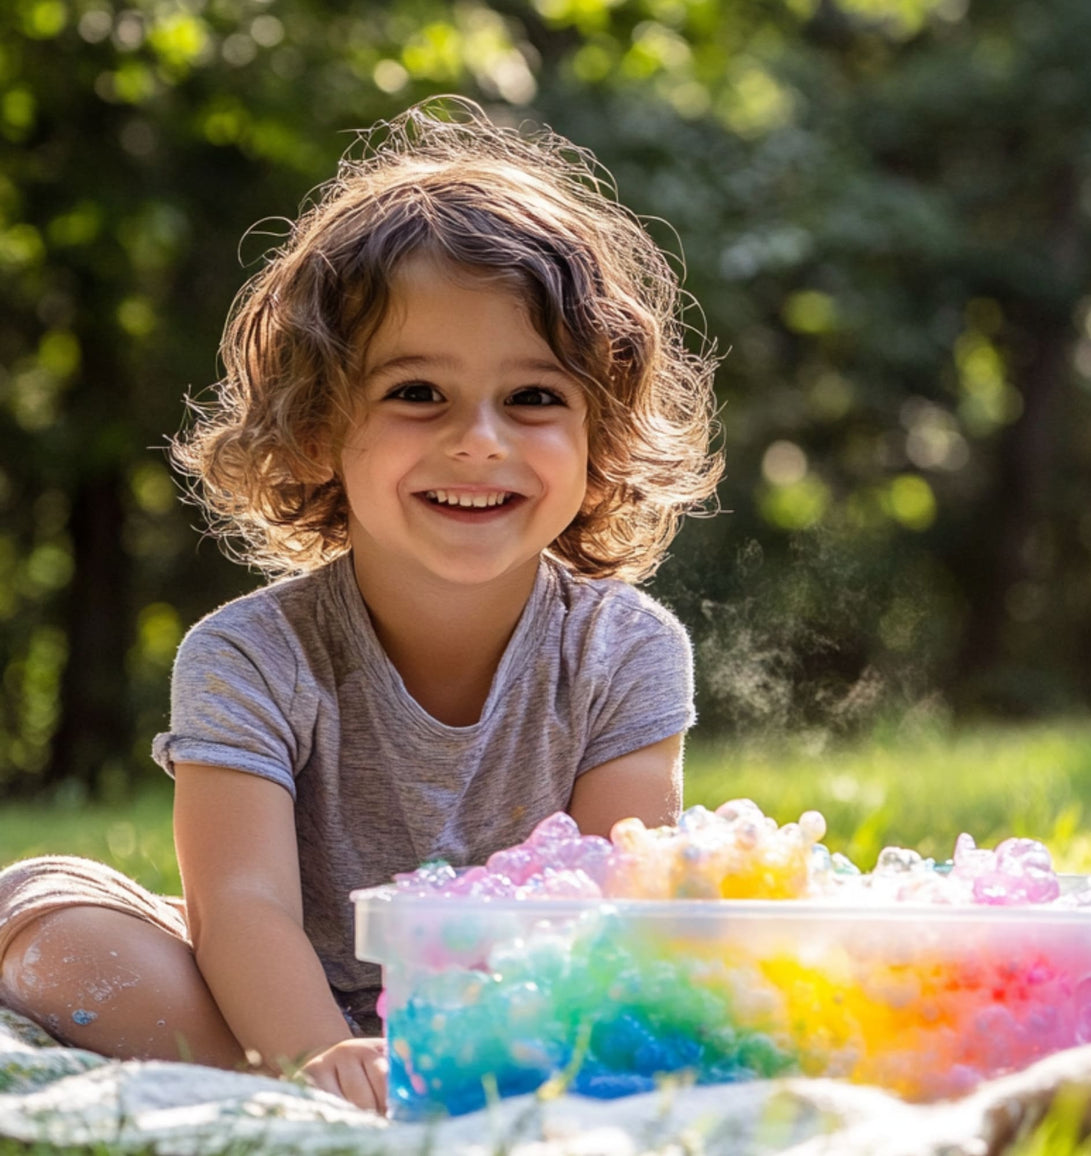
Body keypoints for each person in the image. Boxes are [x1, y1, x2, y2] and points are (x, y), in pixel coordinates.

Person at [0, 96, 722, 1115]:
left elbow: (605, 921)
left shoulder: (625, 649)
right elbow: (241, 904)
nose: (479, 440)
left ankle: (413, 1089)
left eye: (533, 397)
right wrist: (314, 1052)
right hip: (271, 994)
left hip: (509, 1009)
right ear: (314, 428)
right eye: (416, 393)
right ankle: (333, 1093)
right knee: (63, 933)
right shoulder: (246, 654)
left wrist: (498, 1043)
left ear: (601, 438)